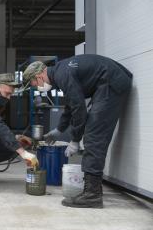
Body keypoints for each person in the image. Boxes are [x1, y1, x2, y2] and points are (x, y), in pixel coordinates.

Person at [23, 54, 132, 208]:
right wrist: (58, 130)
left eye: (33, 84)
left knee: (94, 136)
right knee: (93, 131)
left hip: (111, 83)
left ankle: (92, 195)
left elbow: (79, 109)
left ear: (39, 75)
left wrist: (75, 140)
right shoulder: (60, 72)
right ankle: (92, 191)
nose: (36, 87)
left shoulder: (62, 74)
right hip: (107, 83)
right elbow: (71, 104)